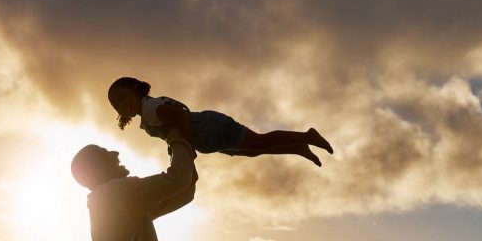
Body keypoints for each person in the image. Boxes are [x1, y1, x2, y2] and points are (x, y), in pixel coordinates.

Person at [107, 76, 332, 166]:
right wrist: (173, 146)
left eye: (123, 97)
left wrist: (185, 145)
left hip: (211, 128)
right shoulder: (147, 115)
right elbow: (171, 129)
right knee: (254, 150)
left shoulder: (150, 107)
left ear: (136, 89)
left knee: (259, 142)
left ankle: (307, 136)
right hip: (210, 137)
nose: (122, 105)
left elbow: (180, 116)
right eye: (117, 105)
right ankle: (297, 147)